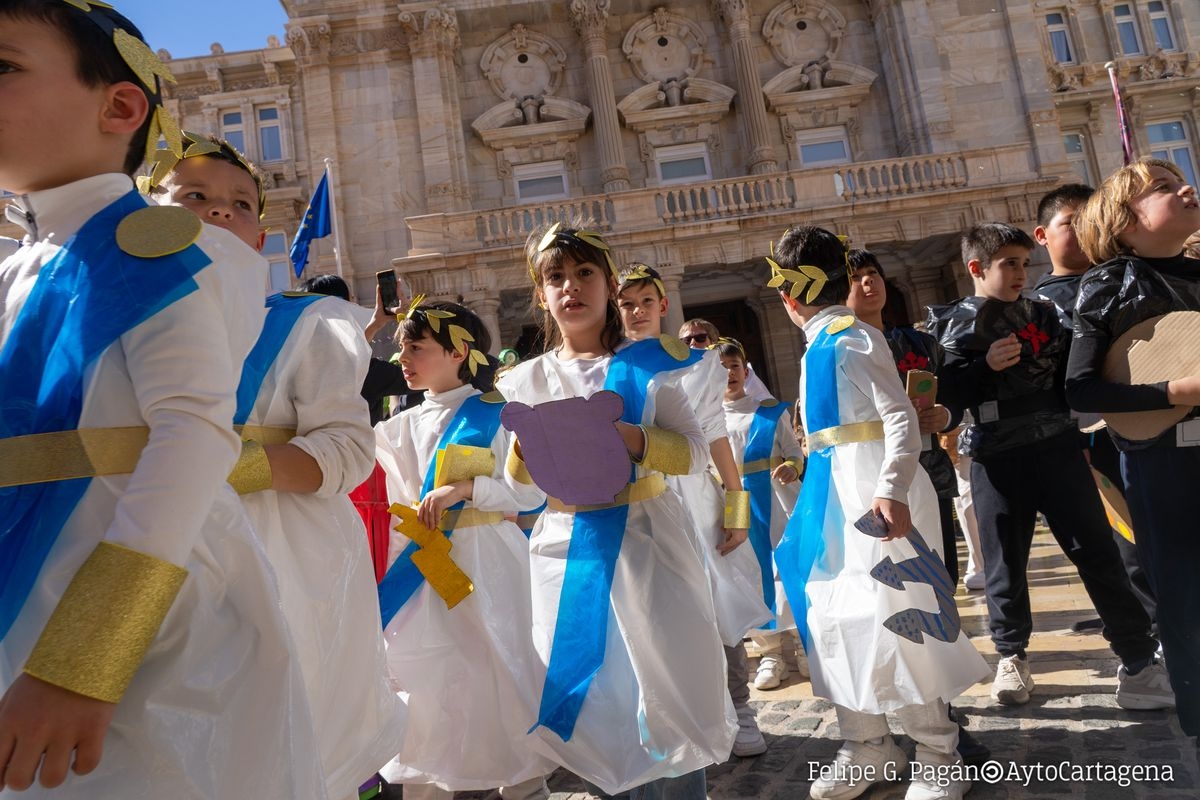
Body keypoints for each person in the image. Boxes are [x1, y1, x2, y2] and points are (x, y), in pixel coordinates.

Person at [0, 2, 324, 796]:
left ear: (119, 107)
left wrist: (89, 655)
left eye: (3, 67)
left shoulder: (150, 250)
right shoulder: (16, 267)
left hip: (141, 623)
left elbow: (194, 434)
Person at [148, 133, 406, 800]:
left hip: (282, 564)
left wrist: (226, 466)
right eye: (194, 195)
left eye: (241, 204)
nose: (220, 210)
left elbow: (348, 450)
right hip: (154, 558)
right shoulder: (116, 325)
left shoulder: (306, 325)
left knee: (279, 744)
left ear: (260, 238)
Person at [495, 223, 734, 797]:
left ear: (607, 285)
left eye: (584, 273)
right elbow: (519, 491)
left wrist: (630, 438)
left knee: (667, 680)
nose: (571, 286)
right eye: (556, 277)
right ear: (541, 294)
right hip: (568, 548)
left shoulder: (649, 366)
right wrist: (526, 451)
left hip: (648, 542)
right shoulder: (524, 379)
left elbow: (694, 453)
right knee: (601, 700)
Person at [769, 225, 987, 800]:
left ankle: (939, 753)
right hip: (834, 500)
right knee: (838, 617)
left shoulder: (852, 338)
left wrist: (891, 489)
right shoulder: (820, 344)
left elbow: (898, 417)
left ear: (787, 297)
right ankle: (868, 743)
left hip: (874, 496)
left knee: (903, 617)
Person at [928, 222, 1169, 711]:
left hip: (1059, 448)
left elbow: (1076, 378)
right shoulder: (951, 324)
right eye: (1008, 264)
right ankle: (1011, 656)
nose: (1021, 272)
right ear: (976, 268)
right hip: (995, 457)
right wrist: (982, 369)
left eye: (1023, 263)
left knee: (1098, 554)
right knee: (1004, 565)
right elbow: (946, 399)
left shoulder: (1049, 314)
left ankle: (1138, 662)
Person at [374, 298, 553, 800]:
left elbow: (529, 496)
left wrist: (467, 489)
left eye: (416, 347)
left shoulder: (499, 415)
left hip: (488, 565)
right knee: (426, 682)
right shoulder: (397, 427)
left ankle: (524, 786)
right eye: (402, 347)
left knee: (502, 671)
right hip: (420, 573)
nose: (403, 358)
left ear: (458, 352)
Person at [1066, 157, 1200, 744]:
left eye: (1180, 180)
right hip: (1162, 463)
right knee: (1184, 594)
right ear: (1123, 223)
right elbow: (1081, 390)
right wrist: (1175, 392)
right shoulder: (1107, 285)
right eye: (1164, 187)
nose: (1187, 187)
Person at [616, 265, 771, 758]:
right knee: (650, 609)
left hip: (696, 494)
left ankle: (738, 708)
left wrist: (736, 507)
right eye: (627, 304)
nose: (637, 312)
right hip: (639, 499)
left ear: (664, 305)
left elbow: (715, 435)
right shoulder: (609, 363)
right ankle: (670, 719)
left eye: (646, 301)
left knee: (716, 599)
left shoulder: (698, 364)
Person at [1032, 184, 1157, 632]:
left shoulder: (1129, 280)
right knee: (1121, 538)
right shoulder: (1036, 307)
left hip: (1149, 420)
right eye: (1071, 223)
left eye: (1091, 221)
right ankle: (1146, 627)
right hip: (1085, 439)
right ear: (1042, 236)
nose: (1084, 231)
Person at [845, 250, 961, 585]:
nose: (868, 281)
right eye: (855, 277)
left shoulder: (920, 343)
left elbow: (957, 394)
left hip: (930, 466)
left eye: (872, 273)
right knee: (892, 579)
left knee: (942, 574)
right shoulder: (841, 349)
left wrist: (945, 415)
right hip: (874, 477)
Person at [715, 338, 806, 692]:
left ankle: (803, 643)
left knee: (786, 567)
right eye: (721, 368)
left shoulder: (768, 410)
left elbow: (793, 451)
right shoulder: (707, 418)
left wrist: (791, 467)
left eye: (734, 366)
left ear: (745, 369)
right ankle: (770, 652)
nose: (729, 373)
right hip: (736, 501)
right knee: (750, 571)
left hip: (777, 499)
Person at [680, 318, 773, 401]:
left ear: (713, 341)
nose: (693, 343)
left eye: (700, 338)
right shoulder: (677, 375)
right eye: (687, 340)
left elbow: (763, 400)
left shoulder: (737, 369)